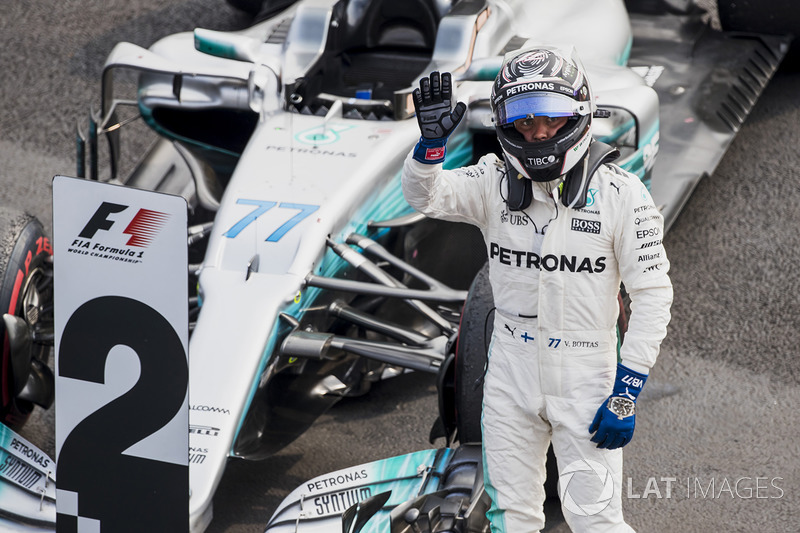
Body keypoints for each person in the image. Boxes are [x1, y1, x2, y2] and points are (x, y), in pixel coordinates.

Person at [401, 46, 673, 532]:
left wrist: (626, 392)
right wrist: (429, 148)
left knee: (595, 520)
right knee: (512, 517)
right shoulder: (491, 183)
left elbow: (654, 296)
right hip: (509, 369)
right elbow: (425, 196)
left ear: (579, 115)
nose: (538, 133)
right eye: (523, 123)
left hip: (587, 372)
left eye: (549, 119)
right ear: (505, 125)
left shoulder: (622, 195)